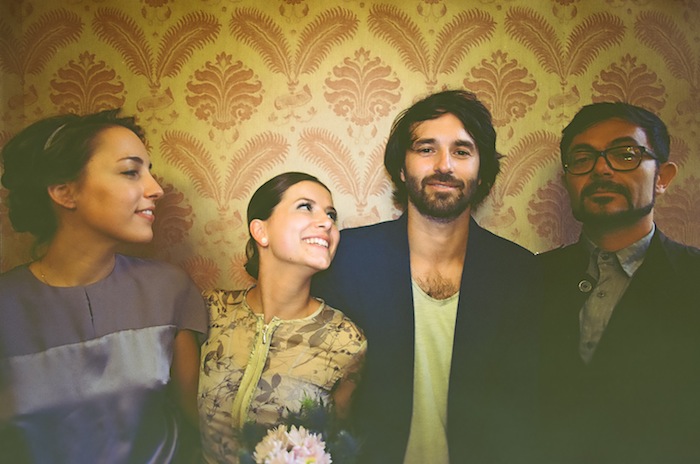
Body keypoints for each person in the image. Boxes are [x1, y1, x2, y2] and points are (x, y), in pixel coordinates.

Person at [312, 90, 541, 463]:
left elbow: (523, 409)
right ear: (402, 169)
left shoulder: (519, 273)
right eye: (426, 149)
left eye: (461, 152)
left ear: (482, 173)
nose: (443, 165)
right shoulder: (346, 260)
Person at [0, 109, 208, 463]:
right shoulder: (7, 306)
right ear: (65, 192)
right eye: (130, 172)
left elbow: (201, 428)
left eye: (150, 171)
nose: (156, 189)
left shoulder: (169, 289)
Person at [539, 102, 700, 463]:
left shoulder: (694, 279)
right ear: (567, 180)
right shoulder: (530, 278)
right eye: (582, 159)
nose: (601, 169)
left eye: (625, 155)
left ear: (662, 177)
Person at [197, 172, 367, 463]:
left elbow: (335, 445)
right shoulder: (212, 309)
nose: (327, 222)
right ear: (261, 231)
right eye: (305, 207)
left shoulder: (346, 341)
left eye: (331, 214)